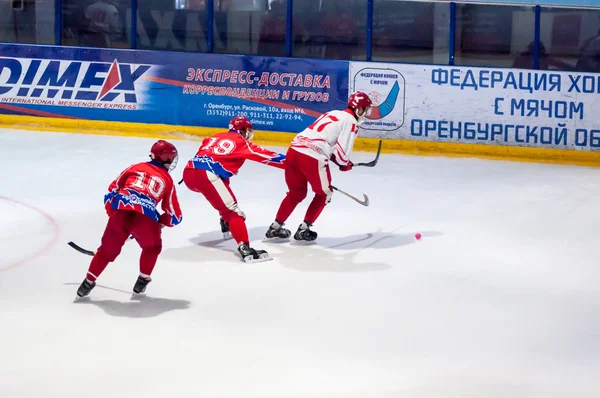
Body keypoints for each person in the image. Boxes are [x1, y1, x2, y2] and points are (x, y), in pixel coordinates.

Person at [75, 140, 183, 299]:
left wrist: (114, 213)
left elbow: (113, 189)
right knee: (152, 247)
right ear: (167, 159)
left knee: (105, 251)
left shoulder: (135, 167)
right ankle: (142, 281)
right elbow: (175, 215)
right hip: (145, 218)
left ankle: (86, 284)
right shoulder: (167, 180)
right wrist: (162, 221)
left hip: (120, 212)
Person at [265, 91, 373, 241]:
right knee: (324, 194)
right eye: (365, 109)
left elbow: (324, 140)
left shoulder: (333, 113)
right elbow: (342, 156)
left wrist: (339, 160)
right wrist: (345, 164)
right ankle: (304, 230)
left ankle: (275, 227)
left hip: (294, 150)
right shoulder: (352, 122)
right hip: (312, 157)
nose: (365, 113)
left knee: (296, 193)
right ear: (359, 109)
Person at [182, 116, 285, 262]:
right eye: (247, 131)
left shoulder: (214, 137)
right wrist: (295, 163)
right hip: (206, 176)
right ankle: (245, 248)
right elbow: (269, 157)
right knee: (233, 212)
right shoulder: (241, 142)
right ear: (242, 130)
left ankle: (225, 223)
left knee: (223, 182)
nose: (248, 134)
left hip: (188, 174)